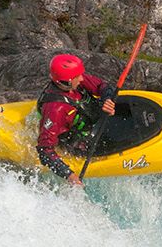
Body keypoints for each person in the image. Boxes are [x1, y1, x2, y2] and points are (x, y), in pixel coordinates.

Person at [36, 53, 117, 187]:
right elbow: (45, 150)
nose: (81, 79)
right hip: (79, 141)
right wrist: (69, 175)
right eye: (77, 76)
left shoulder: (72, 81)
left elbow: (102, 86)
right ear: (66, 81)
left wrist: (107, 100)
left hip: (94, 121)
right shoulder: (56, 110)